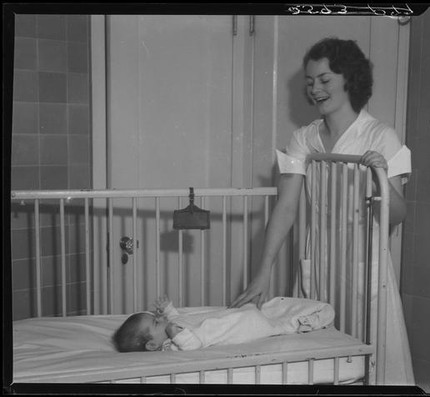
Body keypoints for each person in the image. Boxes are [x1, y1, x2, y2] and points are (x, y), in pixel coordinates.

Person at [230, 37, 414, 385]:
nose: (316, 89)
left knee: (373, 363)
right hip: (319, 261)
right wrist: (262, 272)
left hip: (365, 267)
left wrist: (381, 182)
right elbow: (285, 208)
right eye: (310, 81)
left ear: (350, 79)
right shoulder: (305, 139)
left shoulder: (381, 136)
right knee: (315, 366)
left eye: (325, 79)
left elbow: (398, 214)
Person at [112, 295, 335, 352]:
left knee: (256, 313)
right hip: (242, 327)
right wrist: (175, 333)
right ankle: (298, 322)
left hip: (233, 317)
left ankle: (276, 316)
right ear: (152, 345)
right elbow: (193, 344)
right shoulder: (171, 345)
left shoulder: (169, 327)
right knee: (272, 324)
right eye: (155, 322)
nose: (160, 318)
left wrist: (169, 309)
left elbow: (179, 318)